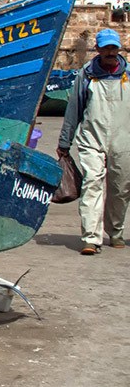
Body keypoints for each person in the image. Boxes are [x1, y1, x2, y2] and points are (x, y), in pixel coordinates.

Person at [57, 28, 130, 255]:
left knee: (120, 188)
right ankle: (91, 237)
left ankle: (115, 232)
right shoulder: (86, 76)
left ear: (119, 48)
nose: (110, 52)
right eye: (106, 47)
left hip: (123, 140)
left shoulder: (128, 74)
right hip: (92, 140)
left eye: (113, 47)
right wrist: (64, 143)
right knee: (92, 184)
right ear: (97, 49)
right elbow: (74, 111)